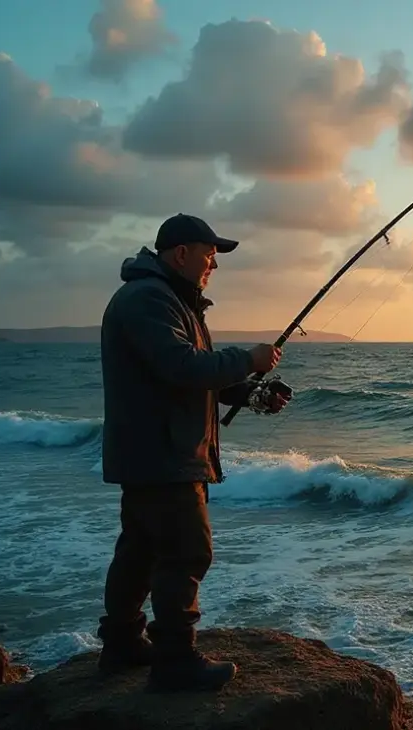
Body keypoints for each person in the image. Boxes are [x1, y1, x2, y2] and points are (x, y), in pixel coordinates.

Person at [95, 213, 289, 692]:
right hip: (164, 455)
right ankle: (175, 661)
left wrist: (244, 390)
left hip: (154, 452)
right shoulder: (148, 299)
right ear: (181, 253)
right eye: (209, 254)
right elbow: (181, 366)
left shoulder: (169, 299)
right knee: (187, 552)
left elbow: (189, 376)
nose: (213, 265)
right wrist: (248, 358)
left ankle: (121, 644)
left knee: (140, 552)